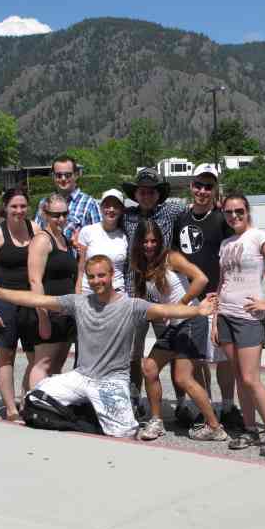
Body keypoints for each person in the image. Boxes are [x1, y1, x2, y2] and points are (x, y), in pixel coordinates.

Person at [0, 255, 218, 438]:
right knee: (34, 400)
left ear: (112, 275)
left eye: (102, 275)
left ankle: (91, 413)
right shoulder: (79, 302)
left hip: (112, 381)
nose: (97, 281)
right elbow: (38, 299)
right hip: (81, 376)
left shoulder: (131, 306)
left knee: (124, 432)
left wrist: (197, 309)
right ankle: (85, 416)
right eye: (91, 276)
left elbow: (166, 309)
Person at [130, 219, 228, 441]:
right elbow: (144, 301)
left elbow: (201, 279)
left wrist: (180, 305)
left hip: (192, 320)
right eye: (145, 241)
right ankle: (156, 422)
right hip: (173, 324)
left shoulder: (170, 257)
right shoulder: (142, 266)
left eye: (154, 240)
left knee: (182, 378)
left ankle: (214, 427)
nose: (149, 245)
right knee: (149, 368)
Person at [214, 193, 265, 457]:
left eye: (239, 211)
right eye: (229, 212)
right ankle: (249, 429)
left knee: (250, 378)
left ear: (247, 211)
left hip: (248, 318)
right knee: (239, 377)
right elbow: (221, 282)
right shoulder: (226, 243)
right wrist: (215, 318)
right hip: (225, 314)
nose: (234, 216)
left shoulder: (259, 237)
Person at [172, 163, 241, 430]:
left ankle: (227, 406)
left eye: (208, 186)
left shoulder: (222, 218)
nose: (202, 190)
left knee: (222, 357)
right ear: (191, 186)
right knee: (199, 358)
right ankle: (206, 405)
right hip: (190, 297)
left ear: (215, 190)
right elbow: (176, 257)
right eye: (198, 185)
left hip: (217, 296)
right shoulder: (181, 218)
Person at [122, 167, 189, 422]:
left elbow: (196, 213)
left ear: (158, 194)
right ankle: (134, 399)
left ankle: (182, 403)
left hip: (163, 293)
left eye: (152, 191)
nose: (147, 195)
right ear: (136, 194)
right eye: (142, 191)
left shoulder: (171, 211)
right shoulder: (127, 216)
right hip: (135, 293)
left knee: (171, 351)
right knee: (134, 353)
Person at [0, 188, 41, 421]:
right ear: (5, 208)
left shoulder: (34, 230)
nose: (19, 211)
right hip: (3, 303)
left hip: (29, 301)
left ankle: (26, 402)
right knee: (6, 357)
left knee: (35, 358)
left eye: (23, 206)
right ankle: (11, 409)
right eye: (14, 206)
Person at [28, 193, 78, 388]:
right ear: (45, 214)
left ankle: (49, 406)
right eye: (56, 215)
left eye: (64, 214)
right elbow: (35, 280)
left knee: (57, 365)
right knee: (43, 364)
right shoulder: (42, 240)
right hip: (49, 312)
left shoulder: (64, 239)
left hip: (65, 312)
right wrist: (43, 317)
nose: (61, 219)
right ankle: (34, 403)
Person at [35, 155, 101, 242]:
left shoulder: (90, 204)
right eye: (58, 175)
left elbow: (99, 239)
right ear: (53, 176)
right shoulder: (44, 203)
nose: (63, 179)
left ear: (76, 175)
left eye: (68, 175)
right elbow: (36, 233)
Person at [76, 189, 128, 295]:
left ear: (122, 210)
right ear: (100, 208)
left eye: (116, 206)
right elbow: (81, 269)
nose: (111, 209)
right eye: (107, 205)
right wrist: (78, 296)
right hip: (89, 292)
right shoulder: (87, 231)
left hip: (116, 293)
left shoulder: (125, 235)